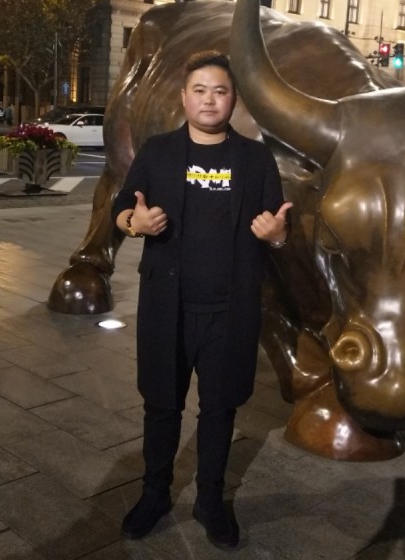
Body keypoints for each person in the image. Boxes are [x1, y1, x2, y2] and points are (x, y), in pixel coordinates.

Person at [112, 50, 291, 549]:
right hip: (166, 306)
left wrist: (277, 235)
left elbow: (279, 225)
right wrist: (134, 223)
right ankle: (154, 494)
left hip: (230, 309)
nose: (209, 100)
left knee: (219, 409)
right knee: (160, 405)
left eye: (220, 91)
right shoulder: (158, 151)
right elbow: (122, 207)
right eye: (200, 90)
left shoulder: (254, 158)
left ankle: (210, 498)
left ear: (234, 100)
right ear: (184, 97)